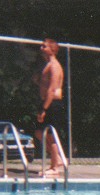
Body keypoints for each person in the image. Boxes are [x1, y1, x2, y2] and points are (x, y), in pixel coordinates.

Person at [34, 38, 65, 176]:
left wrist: (44, 109)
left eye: (44, 46)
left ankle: (54, 168)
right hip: (46, 102)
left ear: (52, 50)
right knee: (39, 133)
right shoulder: (47, 65)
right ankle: (56, 158)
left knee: (51, 136)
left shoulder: (55, 66)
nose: (41, 48)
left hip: (52, 103)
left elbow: (52, 89)